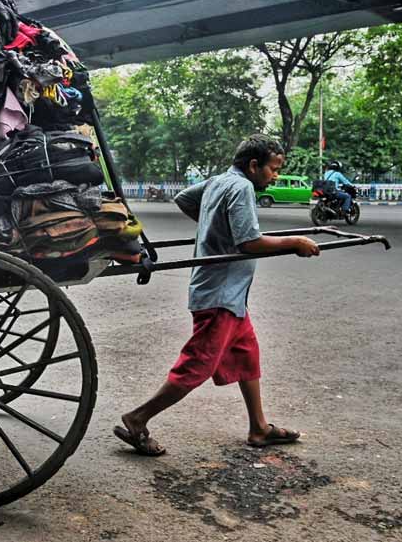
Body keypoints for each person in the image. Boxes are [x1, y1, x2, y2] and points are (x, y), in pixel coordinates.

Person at [114, 134, 320, 456]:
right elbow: (249, 243)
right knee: (196, 365)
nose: (276, 176)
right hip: (220, 295)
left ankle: (258, 428)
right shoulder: (241, 188)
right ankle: (138, 419)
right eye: (274, 169)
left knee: (247, 356)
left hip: (231, 295)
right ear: (254, 165)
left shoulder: (218, 181)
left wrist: (214, 224)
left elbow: (183, 198)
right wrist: (294, 241)